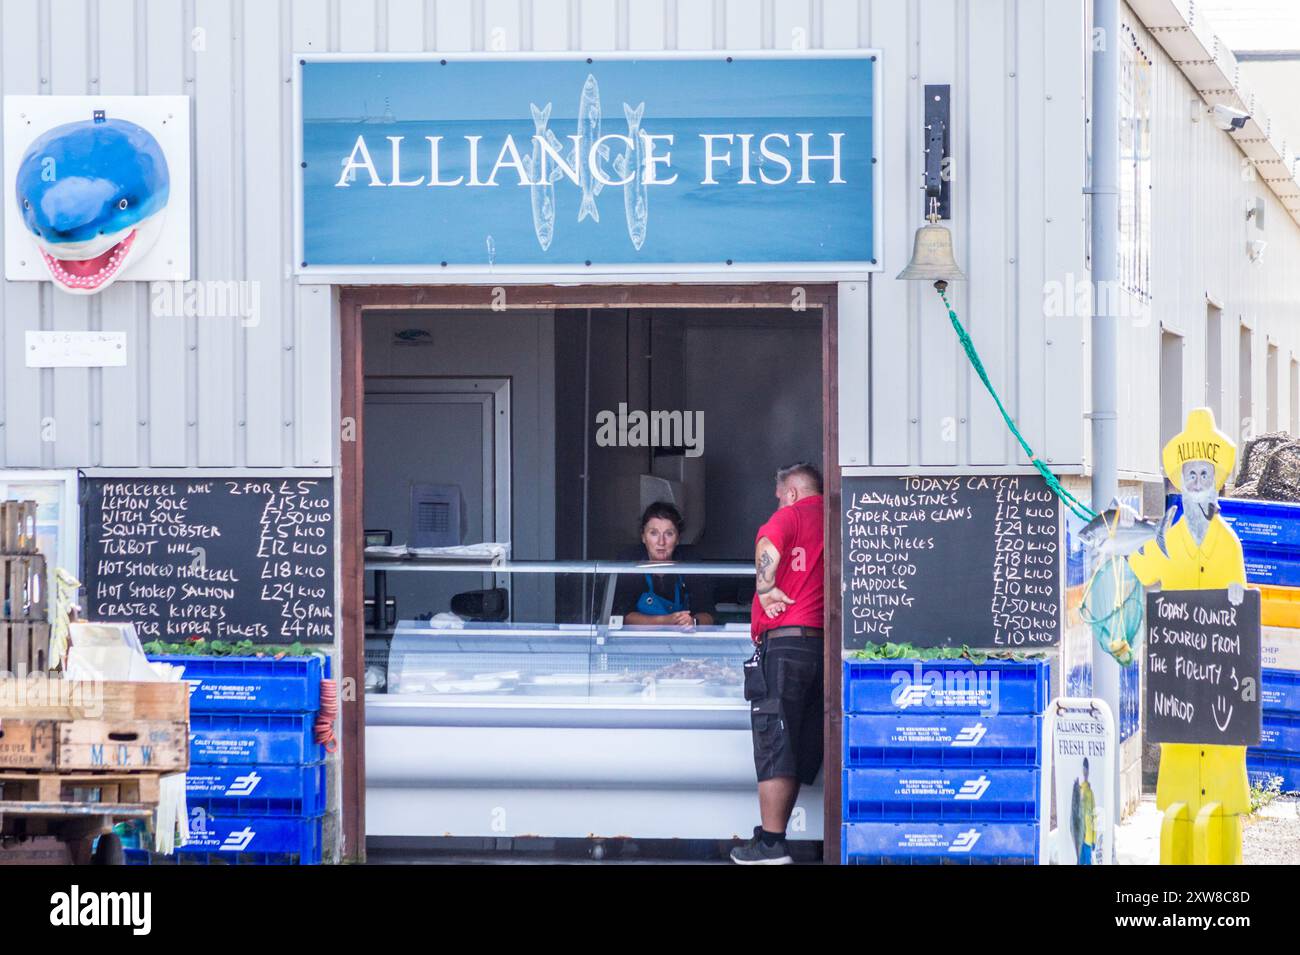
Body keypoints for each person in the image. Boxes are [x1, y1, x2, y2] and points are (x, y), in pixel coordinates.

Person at [730, 462, 824, 865]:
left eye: (778, 494)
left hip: (785, 645)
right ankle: (784, 836)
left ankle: (770, 844)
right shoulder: (840, 515)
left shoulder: (790, 514)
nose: (776, 501)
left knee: (774, 742)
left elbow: (768, 543)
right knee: (801, 745)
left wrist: (766, 587)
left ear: (791, 492)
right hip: (825, 650)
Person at [611, 501, 715, 629]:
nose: (661, 542)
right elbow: (621, 616)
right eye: (654, 533)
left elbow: (708, 615)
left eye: (669, 534)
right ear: (643, 536)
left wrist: (693, 622)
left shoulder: (691, 562)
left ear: (678, 538)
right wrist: (666, 620)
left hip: (684, 643)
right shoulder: (630, 563)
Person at [1070, 757, 1096, 865]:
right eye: (1084, 768)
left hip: (1088, 838)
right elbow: (1074, 815)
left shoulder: (1090, 793)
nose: (1085, 771)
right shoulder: (1079, 791)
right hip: (1080, 836)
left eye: (1087, 769)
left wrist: (1094, 838)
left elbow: (1094, 816)